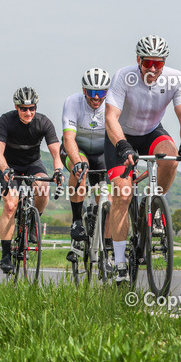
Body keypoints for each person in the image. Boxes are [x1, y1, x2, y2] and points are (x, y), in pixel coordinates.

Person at [105, 35, 181, 282]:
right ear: (138, 60)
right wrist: (123, 146)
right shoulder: (123, 76)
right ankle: (121, 261)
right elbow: (110, 117)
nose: (153, 68)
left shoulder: (175, 78)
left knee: (171, 156)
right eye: (148, 63)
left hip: (151, 132)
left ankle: (154, 207)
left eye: (159, 63)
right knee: (123, 193)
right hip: (120, 136)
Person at [0, 87, 64, 274]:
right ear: (16, 107)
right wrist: (4, 169)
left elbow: (56, 151)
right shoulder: (6, 120)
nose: (28, 112)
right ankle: (6, 254)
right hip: (9, 165)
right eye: (24, 109)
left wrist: (58, 170)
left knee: (43, 188)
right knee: (10, 205)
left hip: (32, 163)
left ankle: (34, 220)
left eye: (32, 108)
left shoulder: (43, 122)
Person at [61, 68, 111, 257]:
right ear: (84, 90)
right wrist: (76, 162)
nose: (96, 97)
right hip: (76, 148)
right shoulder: (73, 102)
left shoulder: (113, 104)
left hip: (101, 153)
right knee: (80, 169)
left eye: (101, 93)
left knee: (107, 198)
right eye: (91, 92)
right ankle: (76, 221)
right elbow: (68, 138)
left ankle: (106, 245)